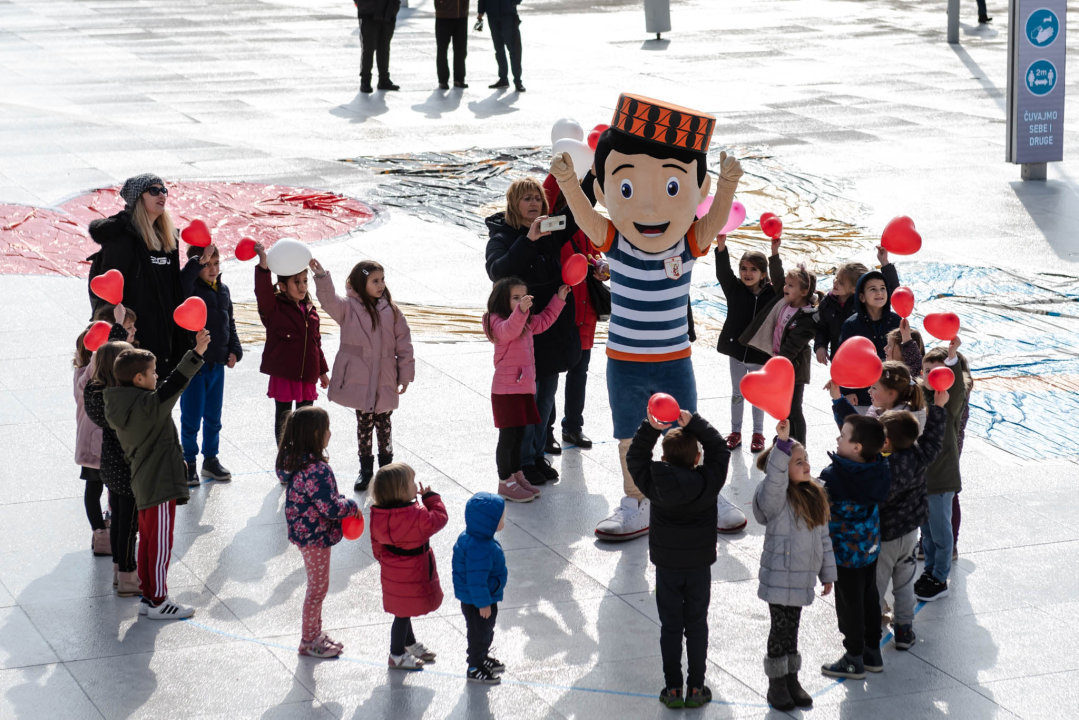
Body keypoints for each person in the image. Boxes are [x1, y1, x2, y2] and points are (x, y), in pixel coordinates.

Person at [549, 95, 745, 542]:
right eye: (628, 187)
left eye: (673, 187)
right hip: (625, 359)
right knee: (628, 435)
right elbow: (584, 216)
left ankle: (707, 494)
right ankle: (635, 501)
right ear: (606, 189)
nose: (653, 209)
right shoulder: (615, 239)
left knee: (688, 425)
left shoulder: (687, 243)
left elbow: (714, 222)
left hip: (675, 357)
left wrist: (728, 187)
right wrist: (566, 183)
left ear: (694, 188)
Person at [627, 408, 730, 709]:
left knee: (670, 627)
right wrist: (696, 422)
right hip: (699, 567)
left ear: (663, 458)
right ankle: (696, 687)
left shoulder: (655, 483)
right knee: (697, 625)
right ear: (697, 458)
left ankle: (672, 688)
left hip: (667, 567)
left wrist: (650, 426)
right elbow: (720, 450)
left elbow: (635, 457)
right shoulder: (709, 482)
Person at [104, 331, 209, 620]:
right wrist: (197, 352)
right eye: (152, 373)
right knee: (161, 543)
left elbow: (165, 386)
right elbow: (175, 383)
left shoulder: (122, 403)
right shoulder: (148, 406)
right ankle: (160, 599)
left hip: (144, 484)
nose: (156, 376)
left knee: (149, 540)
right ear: (138, 379)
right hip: (160, 483)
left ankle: (149, 597)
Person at [485, 178, 581, 489]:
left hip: (549, 327)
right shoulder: (500, 236)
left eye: (537, 198)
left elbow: (581, 212)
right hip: (520, 334)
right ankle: (523, 462)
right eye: (526, 199)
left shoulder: (552, 229)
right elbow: (498, 271)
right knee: (528, 399)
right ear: (514, 204)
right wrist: (529, 238)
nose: (533, 204)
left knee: (546, 398)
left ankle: (536, 455)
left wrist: (591, 174)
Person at [311, 258, 414, 492]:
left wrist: (405, 374)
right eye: (374, 281)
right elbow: (328, 301)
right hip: (359, 378)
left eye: (382, 280)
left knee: (384, 423)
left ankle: (387, 469)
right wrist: (321, 277)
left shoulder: (392, 311)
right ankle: (366, 469)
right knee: (364, 424)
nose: (380, 285)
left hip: (385, 378)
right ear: (361, 282)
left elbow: (404, 344)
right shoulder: (348, 308)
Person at [753, 420, 834, 712]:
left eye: (806, 459)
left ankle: (792, 678)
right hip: (779, 578)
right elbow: (773, 481)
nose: (806, 465)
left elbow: (824, 538)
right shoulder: (775, 498)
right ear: (783, 468)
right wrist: (783, 445)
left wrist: (827, 573)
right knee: (780, 629)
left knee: (793, 630)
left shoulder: (816, 494)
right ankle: (777, 684)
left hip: (802, 579)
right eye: (797, 462)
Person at [87, 174, 189, 380]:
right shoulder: (122, 239)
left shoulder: (167, 236)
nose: (161, 194)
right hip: (135, 344)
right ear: (138, 198)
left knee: (161, 408)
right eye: (153, 190)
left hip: (164, 343)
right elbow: (107, 299)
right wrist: (119, 337)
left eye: (163, 190)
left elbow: (174, 289)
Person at [277, 406, 359, 659]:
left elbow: (320, 499)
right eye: (327, 429)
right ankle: (309, 639)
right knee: (317, 589)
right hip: (315, 535)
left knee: (317, 587)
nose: (330, 433)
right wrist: (350, 505)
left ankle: (315, 632)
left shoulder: (297, 462)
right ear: (315, 434)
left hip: (305, 530)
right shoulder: (318, 469)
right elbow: (330, 508)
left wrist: (337, 499)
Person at [482, 277, 568, 502]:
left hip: (523, 389)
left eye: (524, 296)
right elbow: (508, 330)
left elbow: (546, 320)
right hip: (505, 391)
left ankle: (516, 474)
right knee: (508, 437)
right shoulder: (495, 321)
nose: (522, 301)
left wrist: (559, 299)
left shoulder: (526, 321)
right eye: (515, 297)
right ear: (503, 300)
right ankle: (505, 482)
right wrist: (520, 310)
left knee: (520, 436)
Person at [818, 415, 890, 679]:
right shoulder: (881, 470)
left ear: (856, 447)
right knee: (870, 596)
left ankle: (853, 658)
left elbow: (818, 508)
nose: (838, 438)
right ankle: (873, 651)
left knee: (849, 603)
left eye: (843, 435)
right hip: (870, 548)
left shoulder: (834, 476)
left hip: (845, 554)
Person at [873, 400, 946, 650]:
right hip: (910, 535)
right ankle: (904, 629)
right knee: (904, 585)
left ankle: (870, 630)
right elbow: (934, 441)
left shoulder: (880, 468)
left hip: (883, 538)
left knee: (877, 584)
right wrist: (937, 409)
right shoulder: (919, 456)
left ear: (885, 443)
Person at [542, 170, 603, 452]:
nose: (571, 196)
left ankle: (573, 427)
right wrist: (559, 171)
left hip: (585, 311)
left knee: (580, 371)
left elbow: (594, 254)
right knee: (551, 374)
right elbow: (548, 194)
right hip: (557, 311)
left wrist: (601, 267)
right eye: (567, 192)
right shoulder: (548, 226)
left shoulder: (583, 222)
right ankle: (547, 431)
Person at [739, 238, 821, 445]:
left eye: (791, 285)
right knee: (784, 409)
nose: (785, 286)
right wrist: (774, 254)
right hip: (780, 366)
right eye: (785, 284)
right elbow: (777, 276)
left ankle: (799, 445)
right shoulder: (784, 301)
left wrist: (777, 367)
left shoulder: (807, 317)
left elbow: (792, 347)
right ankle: (786, 439)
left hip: (793, 370)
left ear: (803, 292)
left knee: (794, 409)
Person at [370, 463, 449, 670]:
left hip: (392, 570)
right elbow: (439, 519)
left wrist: (386, 561)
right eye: (412, 482)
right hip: (413, 569)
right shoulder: (416, 515)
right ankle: (396, 655)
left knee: (404, 608)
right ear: (401, 490)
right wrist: (431, 498)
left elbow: (376, 544)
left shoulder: (378, 514)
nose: (416, 485)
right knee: (402, 614)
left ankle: (409, 643)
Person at [252, 242, 329, 445]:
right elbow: (262, 292)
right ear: (283, 286)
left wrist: (322, 369)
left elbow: (316, 342)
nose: (303, 286)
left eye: (305, 281)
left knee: (307, 421)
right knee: (284, 420)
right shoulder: (274, 310)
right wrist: (263, 264)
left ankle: (305, 459)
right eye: (297, 282)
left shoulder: (311, 311)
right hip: (285, 375)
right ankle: (285, 461)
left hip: (307, 376)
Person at [179, 244, 242, 486]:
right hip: (194, 365)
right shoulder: (190, 289)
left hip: (217, 364)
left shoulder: (223, 290)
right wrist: (195, 265)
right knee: (192, 416)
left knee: (214, 416)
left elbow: (230, 323)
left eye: (216, 263)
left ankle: (211, 459)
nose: (213, 269)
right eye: (207, 264)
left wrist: (234, 350)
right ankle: (188, 462)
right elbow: (182, 282)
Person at [84, 334, 140, 596]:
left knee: (119, 522)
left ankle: (119, 571)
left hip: (110, 470)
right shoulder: (122, 401)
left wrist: (117, 334)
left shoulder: (95, 394)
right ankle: (129, 577)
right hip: (128, 470)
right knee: (129, 528)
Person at [915, 339, 968, 602]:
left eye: (938, 373)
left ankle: (940, 576)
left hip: (941, 478)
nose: (931, 377)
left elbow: (956, 390)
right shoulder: (920, 397)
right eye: (927, 372)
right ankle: (929, 571)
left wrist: (951, 358)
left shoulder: (950, 401)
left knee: (940, 531)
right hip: (921, 478)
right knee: (927, 532)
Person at [713, 235, 775, 452]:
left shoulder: (773, 295)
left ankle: (758, 433)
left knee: (758, 395)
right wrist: (721, 247)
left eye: (753, 269)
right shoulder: (734, 289)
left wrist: (774, 255)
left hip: (760, 354)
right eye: (744, 268)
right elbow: (723, 273)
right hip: (737, 353)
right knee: (737, 393)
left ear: (764, 274)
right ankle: (735, 432)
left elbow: (783, 278)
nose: (747, 273)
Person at [452, 492, 509, 685]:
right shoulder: (480, 547)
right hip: (479, 601)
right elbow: (476, 580)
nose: (504, 519)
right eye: (501, 517)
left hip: (481, 598)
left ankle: (483, 657)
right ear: (489, 522)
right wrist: (483, 603)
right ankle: (475, 667)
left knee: (485, 631)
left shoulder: (478, 538)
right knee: (479, 634)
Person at [815, 249, 898, 368]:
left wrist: (885, 263)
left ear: (855, 289)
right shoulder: (827, 303)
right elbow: (822, 328)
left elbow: (891, 292)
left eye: (841, 282)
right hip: (841, 361)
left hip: (867, 361)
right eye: (836, 277)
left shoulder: (862, 303)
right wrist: (820, 346)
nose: (835, 282)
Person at [837, 268, 901, 408]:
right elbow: (843, 360)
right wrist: (847, 390)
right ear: (862, 297)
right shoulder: (851, 325)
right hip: (861, 395)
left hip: (891, 393)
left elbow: (906, 354)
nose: (879, 292)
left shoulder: (896, 321)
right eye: (873, 289)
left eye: (883, 288)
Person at [74, 325, 110, 557]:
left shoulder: (101, 375)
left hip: (107, 442)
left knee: (114, 488)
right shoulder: (84, 375)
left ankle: (106, 527)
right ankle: (99, 532)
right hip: (93, 444)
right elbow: (90, 376)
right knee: (94, 488)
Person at [829, 361, 927, 433]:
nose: (869, 391)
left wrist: (838, 400)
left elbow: (861, 435)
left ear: (891, 393)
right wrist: (838, 398)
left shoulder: (895, 425)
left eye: (874, 388)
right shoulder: (880, 411)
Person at [477, 0, 524, 92]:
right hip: (492, 13)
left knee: (513, 49)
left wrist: (513, 2)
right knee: (499, 49)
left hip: (508, 14)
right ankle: (503, 79)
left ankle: (518, 80)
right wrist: (480, 12)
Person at [356, 0, 401, 93]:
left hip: (388, 12)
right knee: (368, 48)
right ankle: (365, 80)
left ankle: (384, 79)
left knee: (384, 48)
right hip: (369, 12)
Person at [435, 0, 469, 89]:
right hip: (443, 15)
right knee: (442, 49)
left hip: (461, 15)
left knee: (461, 49)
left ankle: (459, 79)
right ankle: (443, 80)